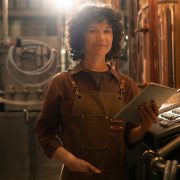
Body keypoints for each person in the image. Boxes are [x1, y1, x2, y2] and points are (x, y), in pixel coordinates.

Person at [36, 4, 159, 180]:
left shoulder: (127, 85)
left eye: (107, 31)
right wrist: (71, 161)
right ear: (80, 36)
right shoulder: (61, 83)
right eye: (93, 30)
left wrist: (145, 126)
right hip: (75, 175)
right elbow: (44, 133)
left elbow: (129, 138)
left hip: (117, 176)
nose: (101, 37)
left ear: (114, 36)